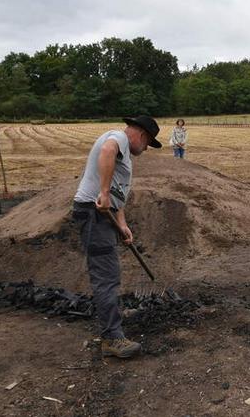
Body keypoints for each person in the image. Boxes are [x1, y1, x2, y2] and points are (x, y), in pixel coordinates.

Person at [72, 115, 162, 358]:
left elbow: (116, 195)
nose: (144, 150)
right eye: (147, 144)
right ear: (142, 135)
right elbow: (107, 150)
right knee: (106, 275)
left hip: (103, 214)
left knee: (110, 272)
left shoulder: (124, 156)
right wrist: (102, 192)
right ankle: (111, 338)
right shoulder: (118, 139)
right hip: (93, 213)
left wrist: (123, 225)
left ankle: (113, 318)